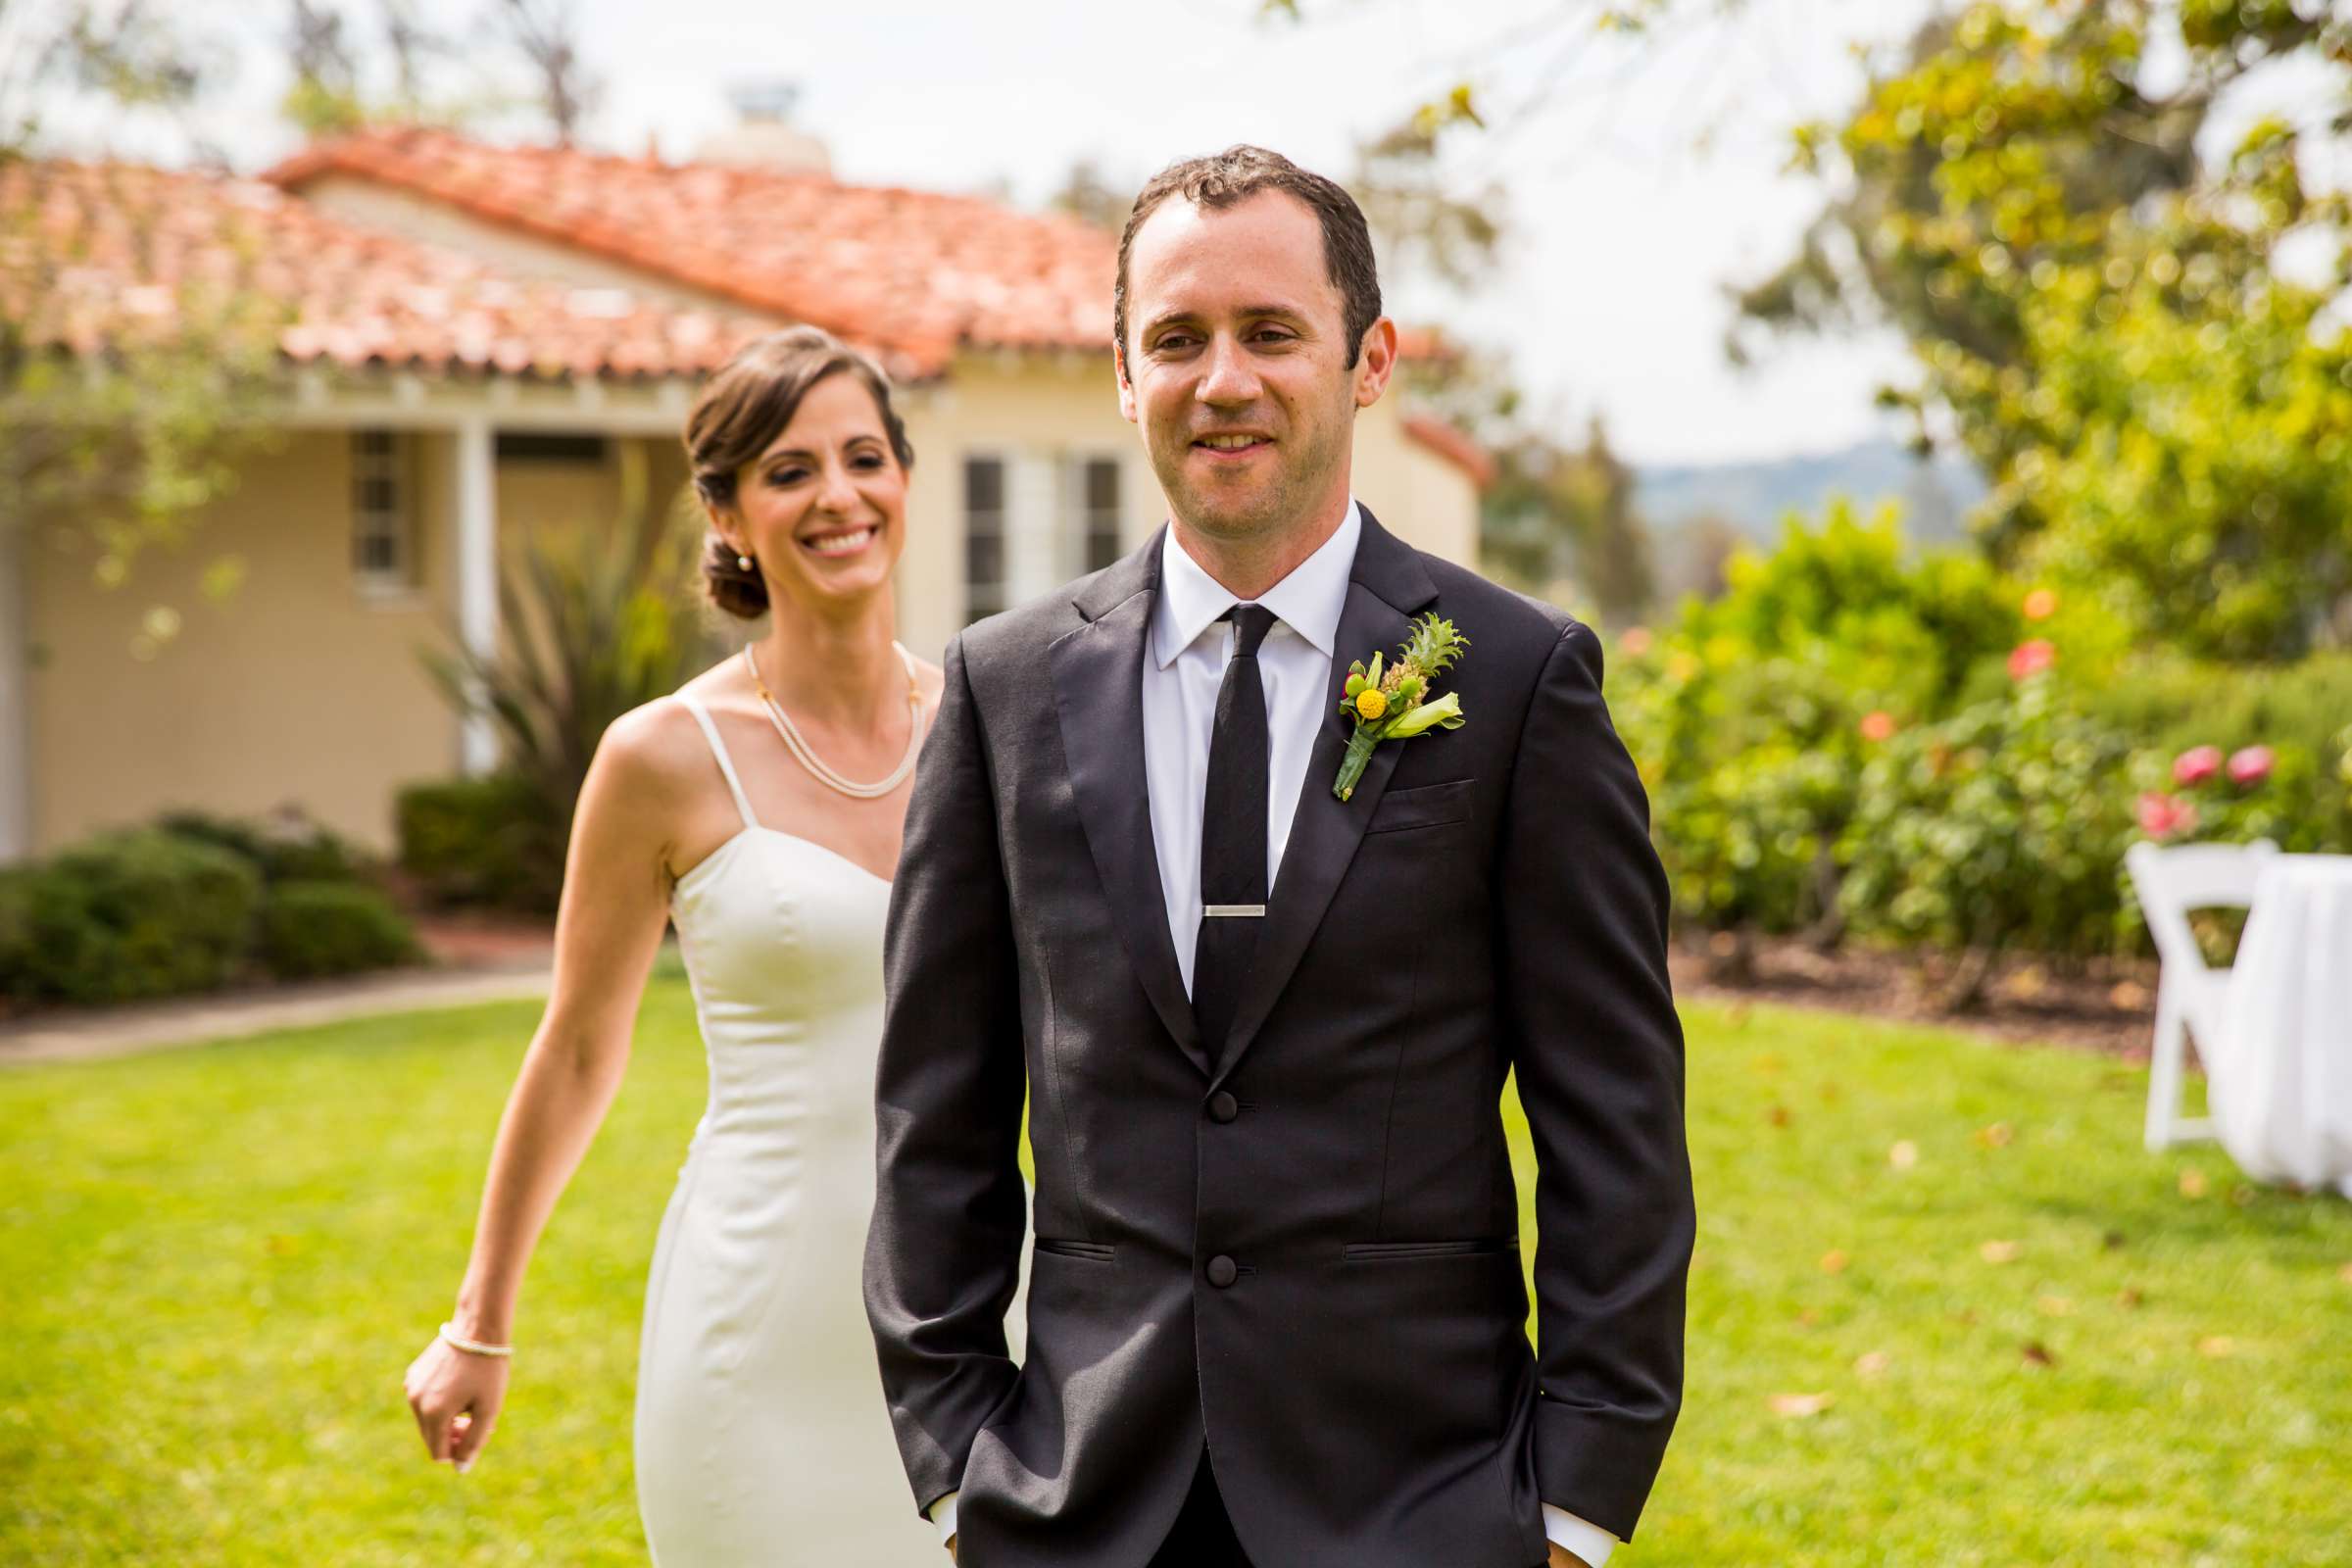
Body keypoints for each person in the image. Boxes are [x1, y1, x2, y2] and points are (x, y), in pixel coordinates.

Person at [864, 147, 1694, 1568]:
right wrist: (957, 1464)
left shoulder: (1515, 682)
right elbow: (932, 1122)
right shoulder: (1002, 693)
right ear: (1124, 373)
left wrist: (1572, 1506)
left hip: (1424, 1501)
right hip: (1081, 1504)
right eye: (1177, 340)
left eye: (1270, 333)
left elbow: (1615, 1122)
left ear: (1368, 361)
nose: (1223, 380)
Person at [404, 325, 947, 1563]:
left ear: (904, 481)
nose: (839, 496)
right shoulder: (658, 758)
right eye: (790, 470)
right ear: (729, 512)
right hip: (755, 1322)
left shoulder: (993, 719)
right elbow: (581, 1048)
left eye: (865, 457)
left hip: (975, 1314)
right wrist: (480, 1322)